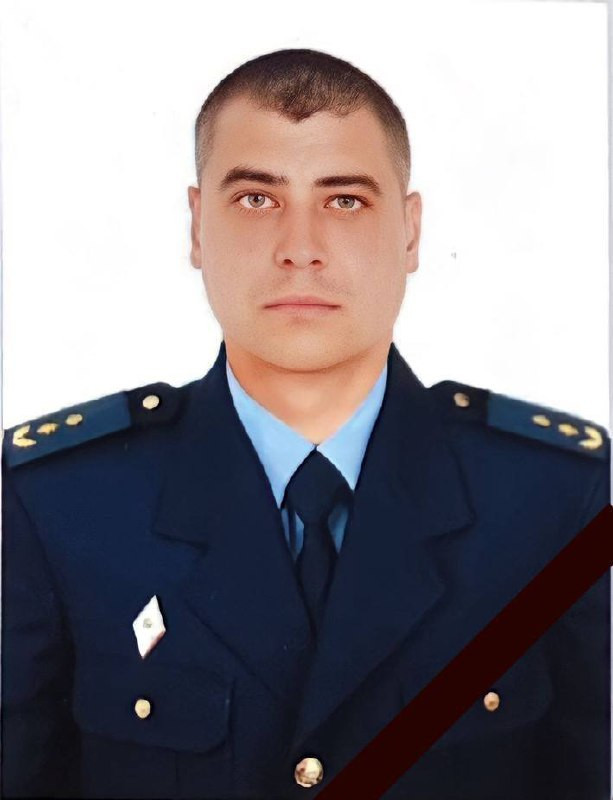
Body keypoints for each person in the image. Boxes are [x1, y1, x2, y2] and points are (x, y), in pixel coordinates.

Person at [2, 48, 610, 800]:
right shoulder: (61, 505)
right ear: (197, 227)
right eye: (257, 199)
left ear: (410, 232)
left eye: (344, 200)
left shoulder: (558, 504)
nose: (299, 250)